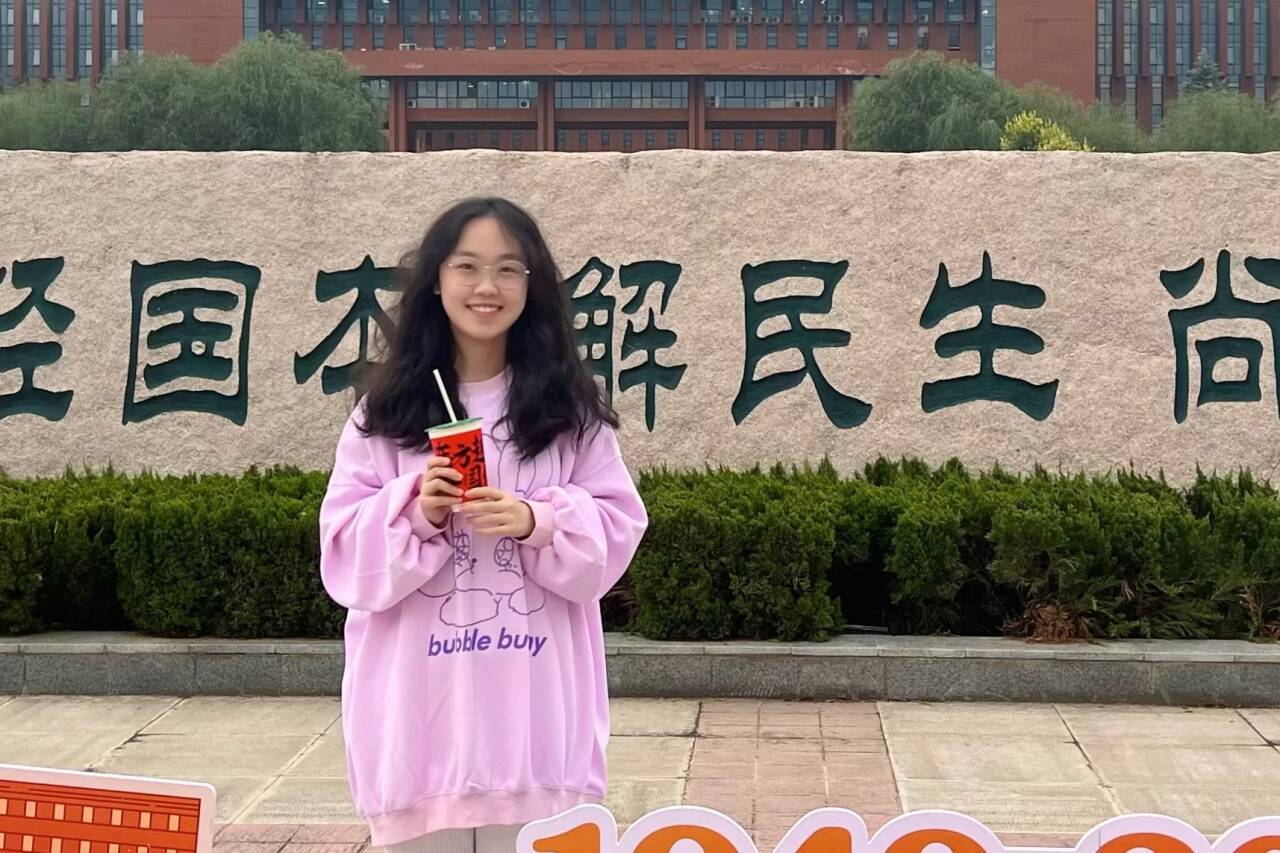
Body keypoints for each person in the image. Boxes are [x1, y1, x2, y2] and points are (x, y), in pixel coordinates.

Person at [318, 197, 648, 853]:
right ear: (436, 280)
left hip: (535, 741)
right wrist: (416, 508)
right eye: (467, 266)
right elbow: (344, 555)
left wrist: (537, 520)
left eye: (507, 268)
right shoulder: (384, 415)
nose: (486, 286)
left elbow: (617, 530)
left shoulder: (569, 412)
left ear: (532, 284)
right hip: (418, 741)